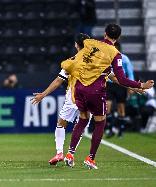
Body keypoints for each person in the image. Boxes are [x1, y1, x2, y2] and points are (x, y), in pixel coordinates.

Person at [61, 23, 154, 169]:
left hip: (79, 88)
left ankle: (70, 154)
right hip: (96, 91)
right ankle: (90, 159)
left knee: (83, 119)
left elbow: (81, 40)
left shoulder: (90, 43)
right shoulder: (115, 54)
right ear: (118, 38)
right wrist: (141, 85)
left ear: (104, 34)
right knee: (100, 123)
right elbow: (121, 78)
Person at [31, 33, 90, 165]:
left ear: (76, 45)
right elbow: (111, 76)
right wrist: (136, 86)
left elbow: (58, 81)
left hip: (73, 97)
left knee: (61, 124)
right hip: (90, 98)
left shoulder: (71, 61)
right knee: (80, 125)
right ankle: (71, 154)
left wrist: (43, 94)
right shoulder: (96, 60)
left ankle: (59, 153)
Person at [106, 41, 136, 138]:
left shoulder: (124, 58)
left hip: (121, 85)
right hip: (109, 85)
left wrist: (131, 87)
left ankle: (121, 130)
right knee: (107, 108)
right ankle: (110, 129)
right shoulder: (107, 59)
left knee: (121, 109)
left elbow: (130, 73)